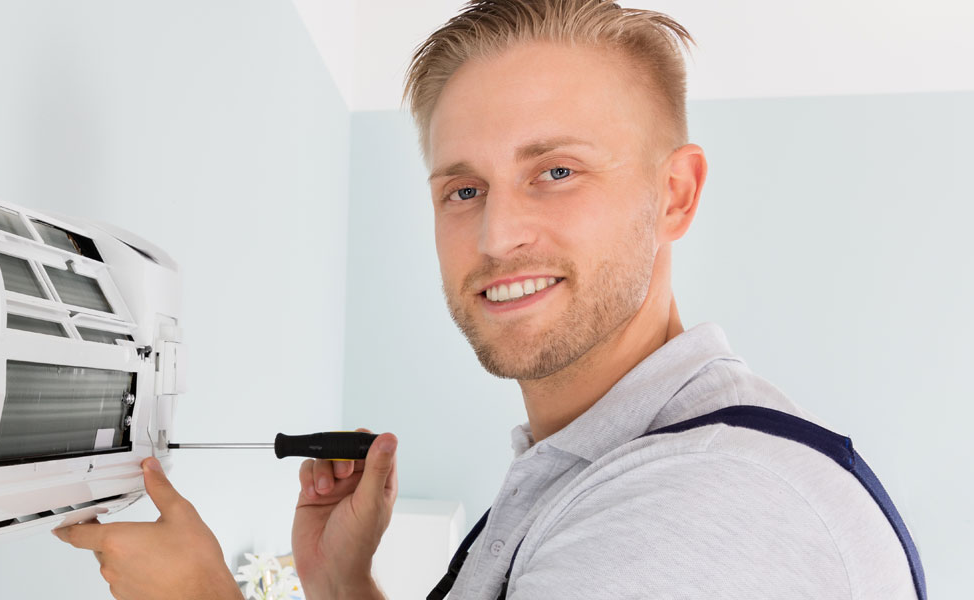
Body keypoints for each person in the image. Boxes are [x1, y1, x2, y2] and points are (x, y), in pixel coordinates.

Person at [53, 1, 923, 598]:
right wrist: (344, 587)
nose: (498, 234)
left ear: (675, 196)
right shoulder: (584, 467)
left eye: (557, 171)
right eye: (462, 189)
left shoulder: (712, 503)